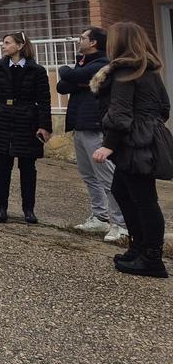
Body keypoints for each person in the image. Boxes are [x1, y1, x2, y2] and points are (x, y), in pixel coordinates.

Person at [91, 22, 171, 278]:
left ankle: (151, 258)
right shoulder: (148, 70)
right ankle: (138, 248)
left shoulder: (125, 72)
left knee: (144, 198)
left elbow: (120, 112)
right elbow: (164, 108)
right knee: (123, 191)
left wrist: (108, 145)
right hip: (148, 137)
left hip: (134, 142)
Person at [57, 26, 128, 242]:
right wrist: (80, 81)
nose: (80, 40)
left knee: (107, 177)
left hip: (95, 125)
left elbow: (67, 74)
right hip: (79, 124)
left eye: (83, 38)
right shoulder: (84, 62)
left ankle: (122, 224)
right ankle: (100, 217)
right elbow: (62, 86)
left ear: (94, 42)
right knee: (89, 176)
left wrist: (74, 76)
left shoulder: (103, 62)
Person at [0, 31, 52, 224]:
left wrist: (44, 126)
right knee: (2, 166)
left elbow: (44, 100)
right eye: (3, 43)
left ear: (20, 46)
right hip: (3, 119)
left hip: (27, 121)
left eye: (7, 43)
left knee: (28, 167)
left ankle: (28, 210)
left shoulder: (36, 70)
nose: (3, 46)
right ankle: (1, 208)